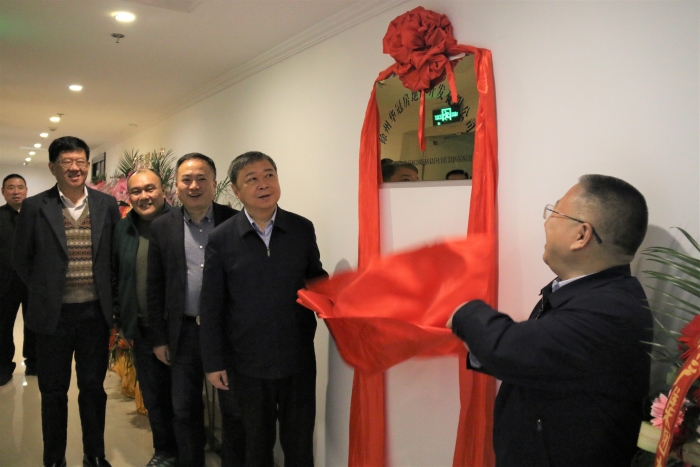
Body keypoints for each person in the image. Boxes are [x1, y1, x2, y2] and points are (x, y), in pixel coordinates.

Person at [447, 174, 652, 467]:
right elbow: (535, 358)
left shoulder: (611, 309)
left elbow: (509, 348)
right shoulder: (584, 293)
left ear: (582, 235)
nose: (546, 223)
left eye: (555, 212)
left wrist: (463, 311)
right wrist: (474, 341)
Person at [200, 151, 327, 466]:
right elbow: (212, 305)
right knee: (255, 445)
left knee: (299, 442)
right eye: (252, 179)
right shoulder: (222, 238)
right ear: (236, 190)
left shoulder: (301, 228)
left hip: (297, 356)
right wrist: (214, 362)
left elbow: (315, 278)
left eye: (269, 175)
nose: (263, 184)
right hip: (247, 362)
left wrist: (341, 296)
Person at [13, 136, 121, 467]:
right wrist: (46, 291)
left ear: (88, 165)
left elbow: (115, 257)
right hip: (53, 317)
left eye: (80, 162)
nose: (75, 168)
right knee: (53, 391)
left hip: (94, 315)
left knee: (93, 389)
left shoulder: (106, 205)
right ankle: (54, 458)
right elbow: (21, 259)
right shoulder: (35, 207)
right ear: (53, 167)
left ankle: (95, 454)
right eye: (66, 162)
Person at [147, 153, 244, 467]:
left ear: (214, 183)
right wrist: (159, 338)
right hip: (184, 332)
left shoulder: (236, 221)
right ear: (175, 186)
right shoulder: (162, 227)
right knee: (184, 409)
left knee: (234, 408)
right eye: (186, 179)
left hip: (227, 333)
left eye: (202, 178)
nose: (194, 185)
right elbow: (154, 286)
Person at [112, 169, 177, 467]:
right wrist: (122, 322)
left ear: (163, 190)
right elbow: (115, 277)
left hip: (178, 327)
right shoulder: (123, 230)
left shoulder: (181, 223)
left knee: (182, 396)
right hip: (142, 327)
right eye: (136, 191)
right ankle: (164, 450)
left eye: (150, 189)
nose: (143, 196)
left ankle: (188, 448)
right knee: (153, 395)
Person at [0, 173, 36, 386]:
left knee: (34, 325)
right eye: (11, 187)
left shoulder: (36, 217)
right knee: (3, 326)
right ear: (3, 192)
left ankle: (34, 364)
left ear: (26, 191)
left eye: (20, 187)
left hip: (32, 282)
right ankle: (3, 367)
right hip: (5, 283)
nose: (16, 191)